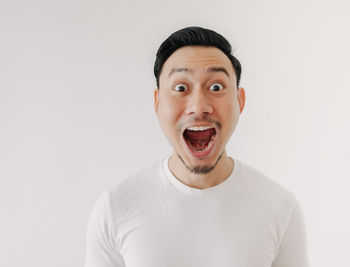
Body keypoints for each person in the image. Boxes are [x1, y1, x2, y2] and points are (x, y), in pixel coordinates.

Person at [84, 26, 309, 267]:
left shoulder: (280, 208)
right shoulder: (115, 208)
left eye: (216, 87)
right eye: (181, 88)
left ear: (239, 101)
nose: (199, 106)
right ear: (158, 102)